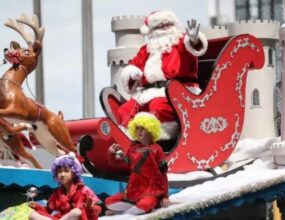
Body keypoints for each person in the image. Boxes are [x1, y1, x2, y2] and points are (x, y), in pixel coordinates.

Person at [118, 10, 208, 140]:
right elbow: (133, 66)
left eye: (168, 25)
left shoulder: (182, 42)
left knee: (157, 107)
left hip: (178, 92)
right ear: (152, 31)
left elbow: (195, 48)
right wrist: (132, 73)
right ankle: (130, 140)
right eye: (160, 27)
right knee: (125, 110)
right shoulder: (147, 49)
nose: (165, 29)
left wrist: (194, 39)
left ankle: (159, 139)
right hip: (147, 93)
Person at [105, 112, 170, 215]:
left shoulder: (157, 149)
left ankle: (123, 214)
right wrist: (111, 153)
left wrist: (165, 197)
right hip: (133, 192)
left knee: (145, 204)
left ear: (150, 129)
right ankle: (135, 209)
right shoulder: (132, 148)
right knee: (109, 202)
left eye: (142, 128)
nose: (139, 131)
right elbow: (115, 163)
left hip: (151, 192)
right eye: (137, 128)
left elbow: (163, 173)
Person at [28, 152, 101, 220]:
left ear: (74, 173)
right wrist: (37, 206)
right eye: (59, 172)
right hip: (61, 218)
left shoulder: (85, 190)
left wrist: (89, 208)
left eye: (66, 171)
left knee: (76, 212)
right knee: (32, 215)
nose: (62, 175)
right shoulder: (57, 193)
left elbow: (97, 210)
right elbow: (48, 210)